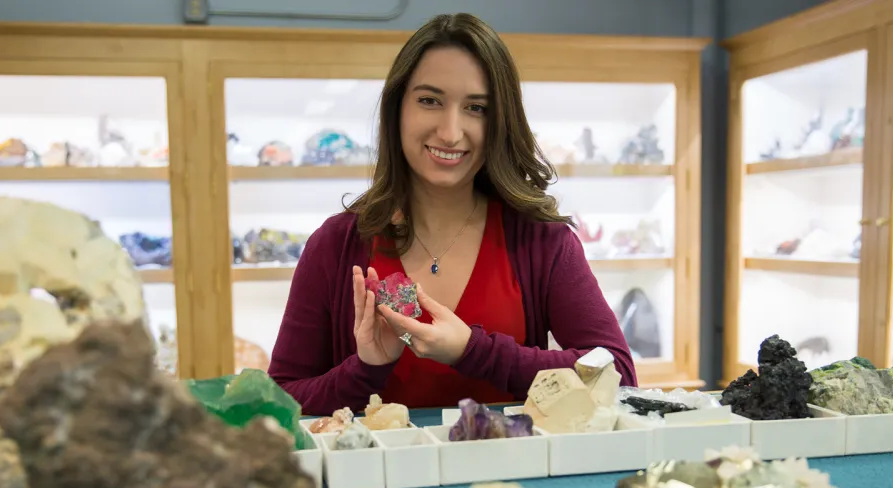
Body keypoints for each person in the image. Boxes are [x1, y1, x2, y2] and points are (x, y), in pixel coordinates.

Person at [268, 12, 637, 416]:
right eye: (430, 101)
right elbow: (279, 400)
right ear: (398, 109)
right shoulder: (336, 245)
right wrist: (366, 369)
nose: (449, 131)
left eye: (476, 108)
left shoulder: (541, 240)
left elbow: (616, 374)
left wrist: (472, 351)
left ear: (500, 122)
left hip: (514, 478)